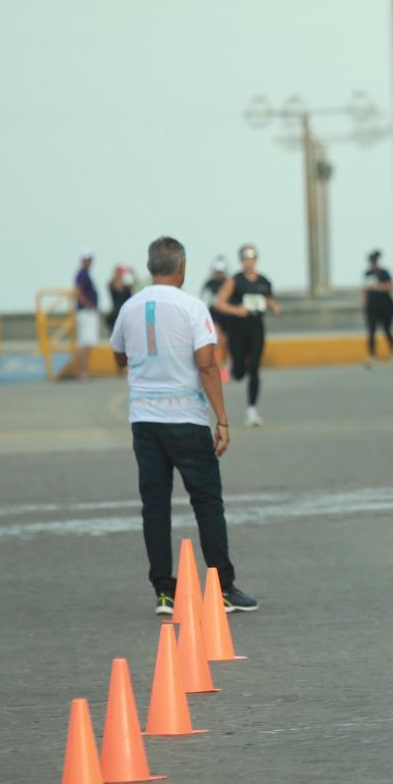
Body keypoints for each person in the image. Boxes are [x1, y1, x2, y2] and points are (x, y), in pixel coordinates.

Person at [109, 236, 258, 616]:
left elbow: (118, 356)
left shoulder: (129, 307)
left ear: (149, 267)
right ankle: (222, 588)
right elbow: (207, 364)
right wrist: (222, 419)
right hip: (186, 418)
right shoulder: (192, 307)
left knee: (155, 505)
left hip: (145, 420)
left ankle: (164, 592)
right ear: (182, 268)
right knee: (207, 502)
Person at [212, 244, 280, 427]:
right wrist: (237, 310)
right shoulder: (235, 281)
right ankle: (235, 369)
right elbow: (219, 303)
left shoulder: (264, 281)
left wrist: (274, 307)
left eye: (252, 258)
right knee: (239, 372)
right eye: (246, 259)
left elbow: (268, 297)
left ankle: (252, 410)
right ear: (241, 261)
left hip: (256, 329)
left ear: (256, 260)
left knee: (255, 368)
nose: (249, 262)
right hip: (237, 330)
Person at [362, 249, 393, 366]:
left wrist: (377, 286)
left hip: (385, 306)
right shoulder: (367, 273)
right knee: (371, 331)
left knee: (387, 330)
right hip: (372, 307)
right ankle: (372, 355)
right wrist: (365, 302)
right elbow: (365, 289)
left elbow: (391, 287)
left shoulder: (384, 273)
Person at [69, 249, 101, 379]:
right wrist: (87, 304)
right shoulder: (82, 274)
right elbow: (78, 291)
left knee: (87, 343)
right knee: (85, 343)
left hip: (87, 311)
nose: (89, 262)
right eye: (87, 259)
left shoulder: (85, 273)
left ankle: (84, 370)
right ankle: (83, 371)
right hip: (85, 312)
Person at [199, 256, 231, 382]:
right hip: (214, 317)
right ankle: (220, 369)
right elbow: (203, 299)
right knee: (219, 342)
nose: (219, 274)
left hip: (227, 317)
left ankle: (226, 366)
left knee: (227, 343)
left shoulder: (228, 282)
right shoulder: (209, 284)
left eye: (221, 272)